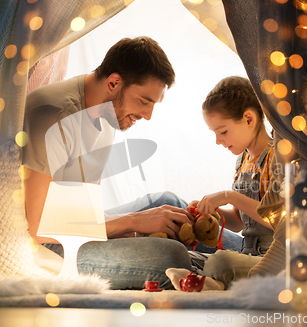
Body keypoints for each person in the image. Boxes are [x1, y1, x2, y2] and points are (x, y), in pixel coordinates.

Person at [22, 36, 195, 289]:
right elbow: (37, 228)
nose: (147, 115)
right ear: (114, 82)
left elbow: (83, 209)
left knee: (170, 205)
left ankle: (257, 256)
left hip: (69, 225)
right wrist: (132, 222)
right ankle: (205, 265)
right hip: (46, 245)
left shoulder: (106, 114)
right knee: (170, 257)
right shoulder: (54, 115)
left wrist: (130, 228)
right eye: (144, 101)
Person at [167, 76, 277, 289]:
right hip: (248, 253)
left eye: (223, 131)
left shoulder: (275, 158)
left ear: (248, 119)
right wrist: (213, 214)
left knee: (221, 262)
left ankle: (212, 280)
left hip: (274, 259)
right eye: (215, 133)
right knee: (186, 257)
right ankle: (213, 282)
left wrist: (228, 196)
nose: (218, 140)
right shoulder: (243, 161)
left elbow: (276, 220)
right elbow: (239, 221)